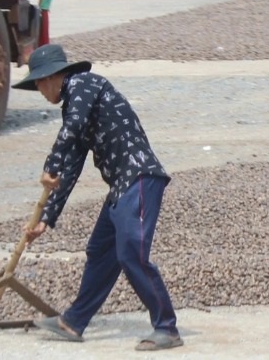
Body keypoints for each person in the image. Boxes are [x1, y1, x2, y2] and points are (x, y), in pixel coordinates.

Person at [15, 44, 183, 351]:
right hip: (122, 185)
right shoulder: (74, 107)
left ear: (56, 76)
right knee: (101, 251)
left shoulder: (84, 83)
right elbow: (71, 170)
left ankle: (167, 328)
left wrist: (50, 164)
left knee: (132, 252)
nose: (38, 88)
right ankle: (73, 321)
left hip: (140, 178)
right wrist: (46, 219)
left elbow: (71, 130)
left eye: (39, 81)